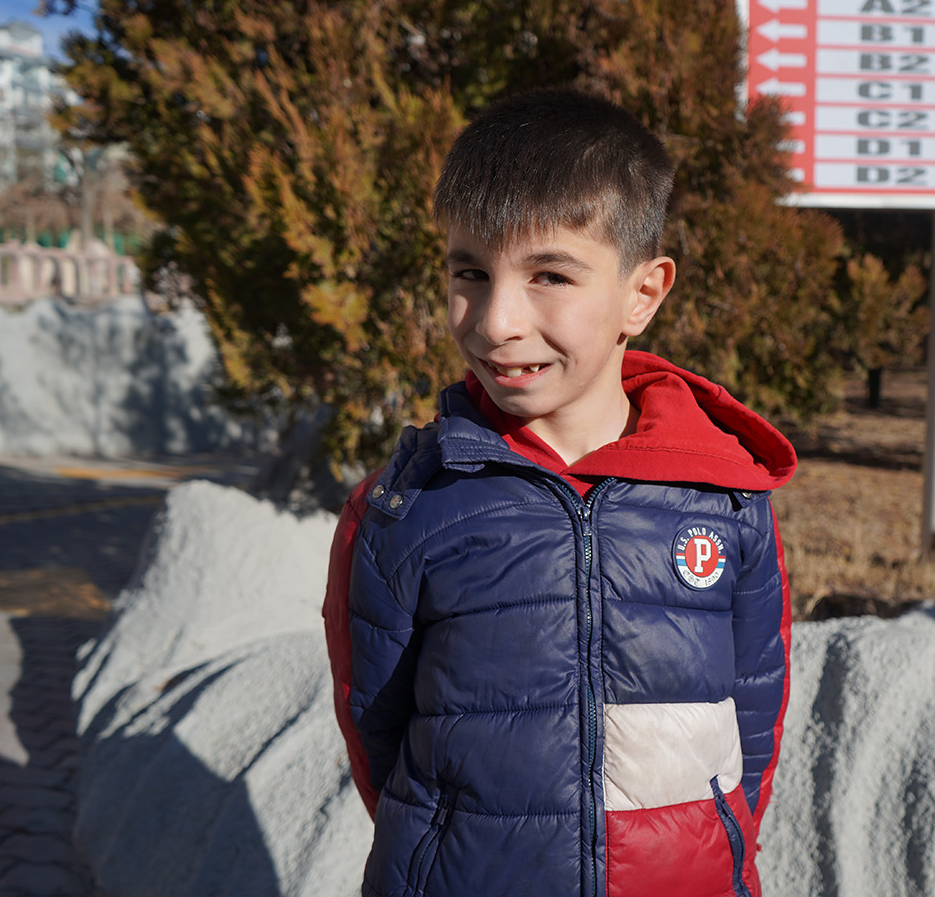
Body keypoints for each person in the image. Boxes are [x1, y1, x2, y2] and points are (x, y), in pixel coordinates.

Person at [322, 87, 796, 897]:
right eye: (470, 271)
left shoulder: (724, 498)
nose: (498, 319)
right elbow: (379, 736)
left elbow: (753, 724)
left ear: (641, 295)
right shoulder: (403, 510)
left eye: (549, 275)